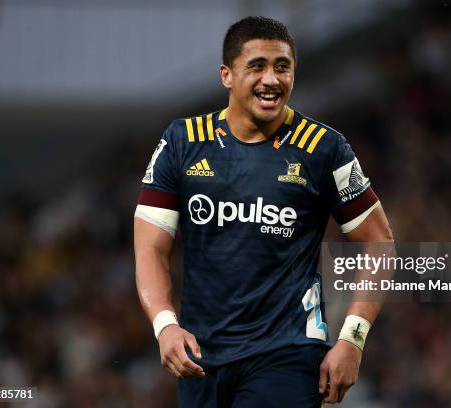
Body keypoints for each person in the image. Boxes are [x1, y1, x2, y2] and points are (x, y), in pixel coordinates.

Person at [134, 16, 393, 407]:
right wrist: (165, 326)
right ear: (227, 75)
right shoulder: (182, 143)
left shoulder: (324, 149)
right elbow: (150, 248)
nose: (271, 79)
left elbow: (379, 241)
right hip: (201, 357)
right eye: (257, 66)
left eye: (282, 67)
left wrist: (352, 339)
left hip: (287, 353)